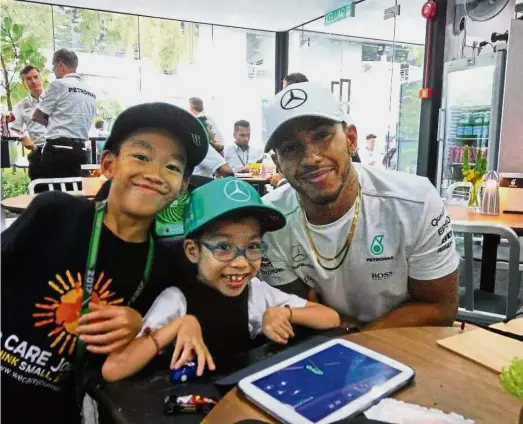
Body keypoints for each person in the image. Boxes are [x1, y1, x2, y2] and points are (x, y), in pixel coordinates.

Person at [1, 102, 209, 424]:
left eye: (172, 167)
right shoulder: (54, 213)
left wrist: (137, 324)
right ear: (108, 164)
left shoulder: (161, 267)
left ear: (182, 187)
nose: (154, 174)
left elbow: (123, 362)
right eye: (141, 157)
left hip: (58, 410)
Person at [260, 82, 460, 331]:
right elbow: (300, 308)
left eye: (322, 136)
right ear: (277, 162)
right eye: (290, 148)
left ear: (351, 139)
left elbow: (440, 308)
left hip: (407, 342)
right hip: (326, 344)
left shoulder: (415, 202)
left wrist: (357, 338)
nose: (311, 158)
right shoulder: (270, 219)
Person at [101, 177, 340, 381]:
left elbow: (331, 317)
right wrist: (178, 326)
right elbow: (113, 370)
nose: (241, 262)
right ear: (193, 251)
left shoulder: (257, 292)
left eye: (253, 246)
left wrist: (284, 313)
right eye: (224, 247)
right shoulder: (177, 301)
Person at [32, 48, 97, 179]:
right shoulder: (91, 92)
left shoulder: (59, 84)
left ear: (60, 65)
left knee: (52, 195)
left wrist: (55, 123)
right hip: (82, 152)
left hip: (58, 150)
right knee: (77, 194)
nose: (52, 70)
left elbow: (37, 116)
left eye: (53, 66)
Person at [9, 65, 47, 179]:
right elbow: (13, 129)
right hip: (38, 151)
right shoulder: (21, 105)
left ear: (41, 78)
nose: (34, 81)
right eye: (29, 79)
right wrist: (23, 137)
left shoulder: (54, 99)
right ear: (24, 83)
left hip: (59, 149)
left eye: (36, 77)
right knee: (39, 193)